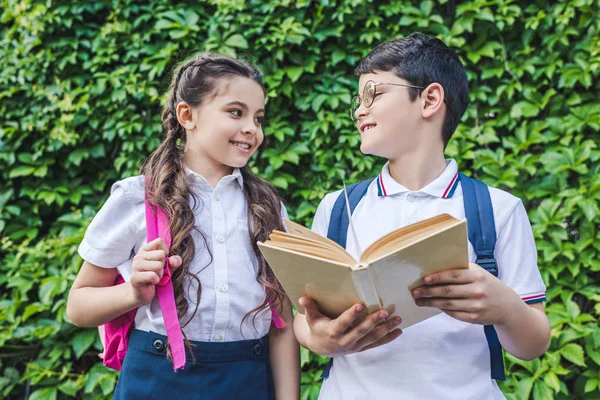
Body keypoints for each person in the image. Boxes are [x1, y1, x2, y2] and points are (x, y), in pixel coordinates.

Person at [293, 33, 550, 399]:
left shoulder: (498, 208)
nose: (359, 111)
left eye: (374, 94)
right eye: (358, 100)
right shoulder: (337, 206)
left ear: (429, 99)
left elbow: (533, 343)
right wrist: (317, 338)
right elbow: (306, 318)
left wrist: (506, 308)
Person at [67, 53, 300, 400]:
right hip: (155, 382)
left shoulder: (267, 208)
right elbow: (77, 305)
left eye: (259, 117)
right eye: (236, 112)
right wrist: (132, 293)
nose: (252, 128)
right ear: (187, 115)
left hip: (247, 382)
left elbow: (282, 327)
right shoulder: (137, 197)